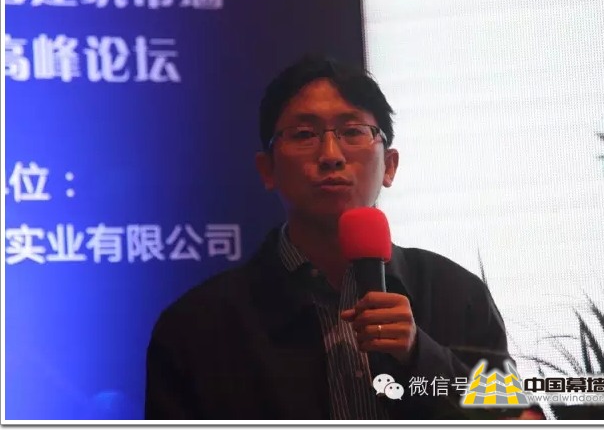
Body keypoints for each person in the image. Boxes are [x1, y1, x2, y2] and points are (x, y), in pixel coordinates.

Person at [144, 54, 530, 420]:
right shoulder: (197, 327)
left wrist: (418, 353)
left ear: (389, 165)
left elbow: (510, 415)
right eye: (304, 134)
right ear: (267, 170)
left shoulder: (456, 293)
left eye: (352, 131)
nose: (331, 155)